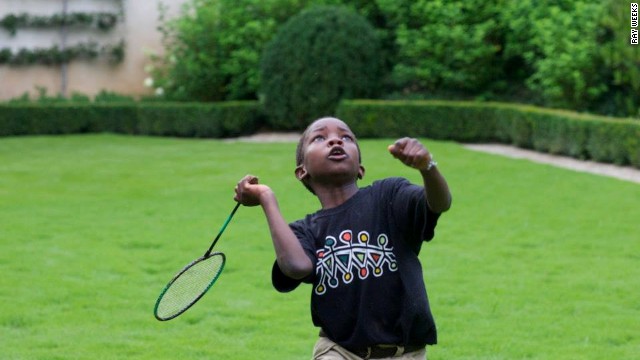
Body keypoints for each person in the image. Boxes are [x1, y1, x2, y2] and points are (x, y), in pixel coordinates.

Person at [234, 117, 452, 359]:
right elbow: (297, 267)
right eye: (320, 137)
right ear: (302, 171)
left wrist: (427, 167)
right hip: (339, 351)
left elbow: (440, 202)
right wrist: (266, 197)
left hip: (406, 353)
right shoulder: (305, 231)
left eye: (346, 137)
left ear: (360, 168)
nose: (336, 140)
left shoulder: (389, 196)